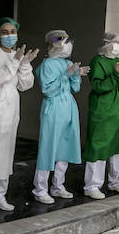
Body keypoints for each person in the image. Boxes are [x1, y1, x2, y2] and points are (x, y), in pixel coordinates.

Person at [0, 17, 38, 216]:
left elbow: (25, 84)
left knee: (5, 152)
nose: (10, 36)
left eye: (13, 32)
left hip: (11, 107)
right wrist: (15, 61)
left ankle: (0, 195)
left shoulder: (16, 55)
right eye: (5, 32)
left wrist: (25, 64)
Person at [34, 31, 85, 204]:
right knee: (48, 147)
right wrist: (65, 75)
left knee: (65, 146)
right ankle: (40, 189)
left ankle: (58, 185)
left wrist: (76, 75)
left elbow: (75, 88)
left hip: (68, 106)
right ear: (54, 44)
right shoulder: (48, 64)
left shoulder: (68, 62)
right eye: (64, 41)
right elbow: (48, 90)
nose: (68, 44)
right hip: (53, 106)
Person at [82, 32, 119, 199]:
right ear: (106, 43)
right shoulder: (97, 61)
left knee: (118, 146)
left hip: (118, 110)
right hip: (102, 110)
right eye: (116, 41)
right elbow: (98, 86)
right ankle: (92, 185)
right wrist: (116, 75)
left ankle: (115, 181)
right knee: (99, 146)